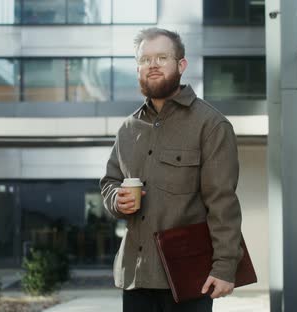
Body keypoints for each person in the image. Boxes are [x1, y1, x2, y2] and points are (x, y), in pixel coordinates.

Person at [100, 27, 243, 312]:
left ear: (181, 65)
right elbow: (109, 182)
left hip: (189, 276)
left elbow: (222, 203)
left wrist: (226, 266)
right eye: (144, 59)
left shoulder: (211, 125)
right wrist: (116, 198)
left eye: (162, 57)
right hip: (136, 277)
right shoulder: (127, 129)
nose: (152, 65)